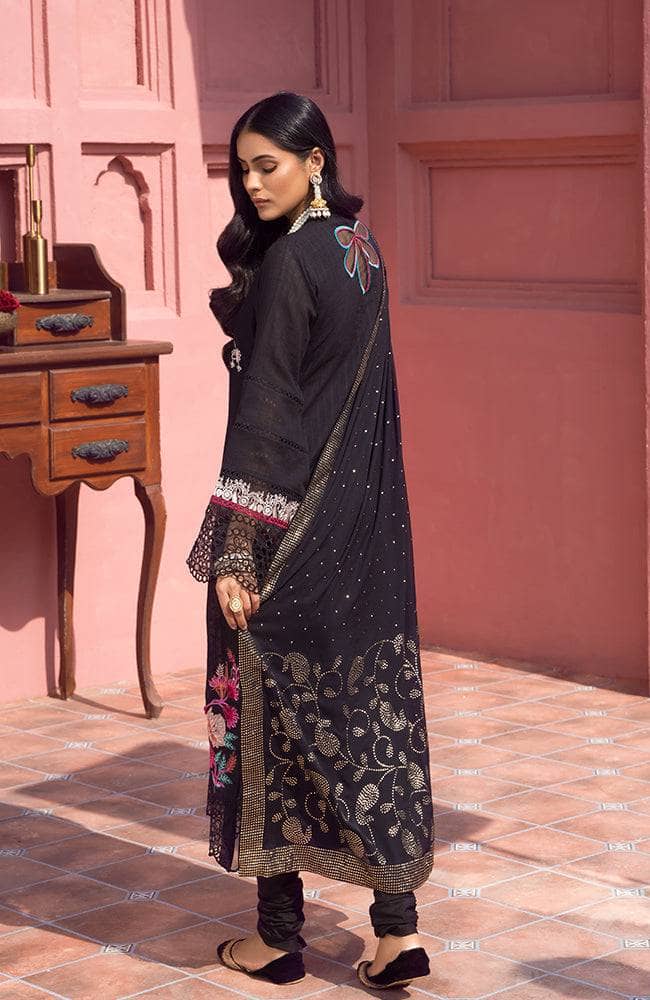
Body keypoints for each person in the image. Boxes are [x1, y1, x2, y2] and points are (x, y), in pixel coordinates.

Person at [186, 90, 434, 990]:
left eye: (270, 165)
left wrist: (235, 551)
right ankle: (397, 936)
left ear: (315, 161)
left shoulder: (293, 259)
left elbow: (269, 416)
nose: (253, 184)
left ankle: (277, 938)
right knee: (364, 724)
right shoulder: (359, 248)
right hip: (366, 539)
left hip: (289, 536)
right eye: (243, 169)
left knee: (270, 720)